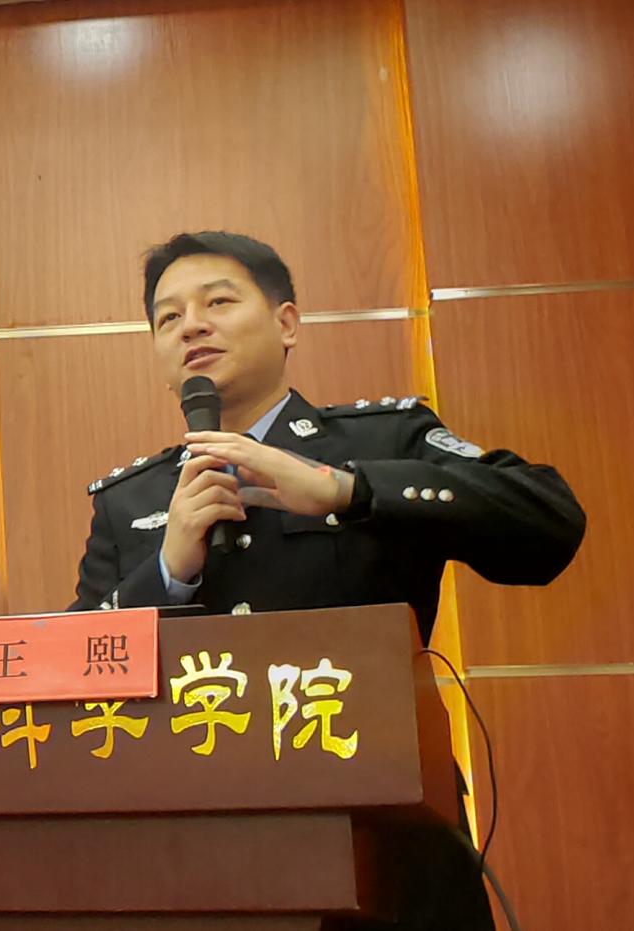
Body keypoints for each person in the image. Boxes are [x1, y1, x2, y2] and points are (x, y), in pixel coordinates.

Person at [69, 231, 586, 929]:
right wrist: (168, 571)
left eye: (217, 302)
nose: (191, 325)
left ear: (286, 323)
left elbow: (549, 519)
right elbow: (71, 676)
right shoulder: (129, 501)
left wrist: (348, 489)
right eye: (168, 317)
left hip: (385, 846)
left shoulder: (380, 441)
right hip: (194, 858)